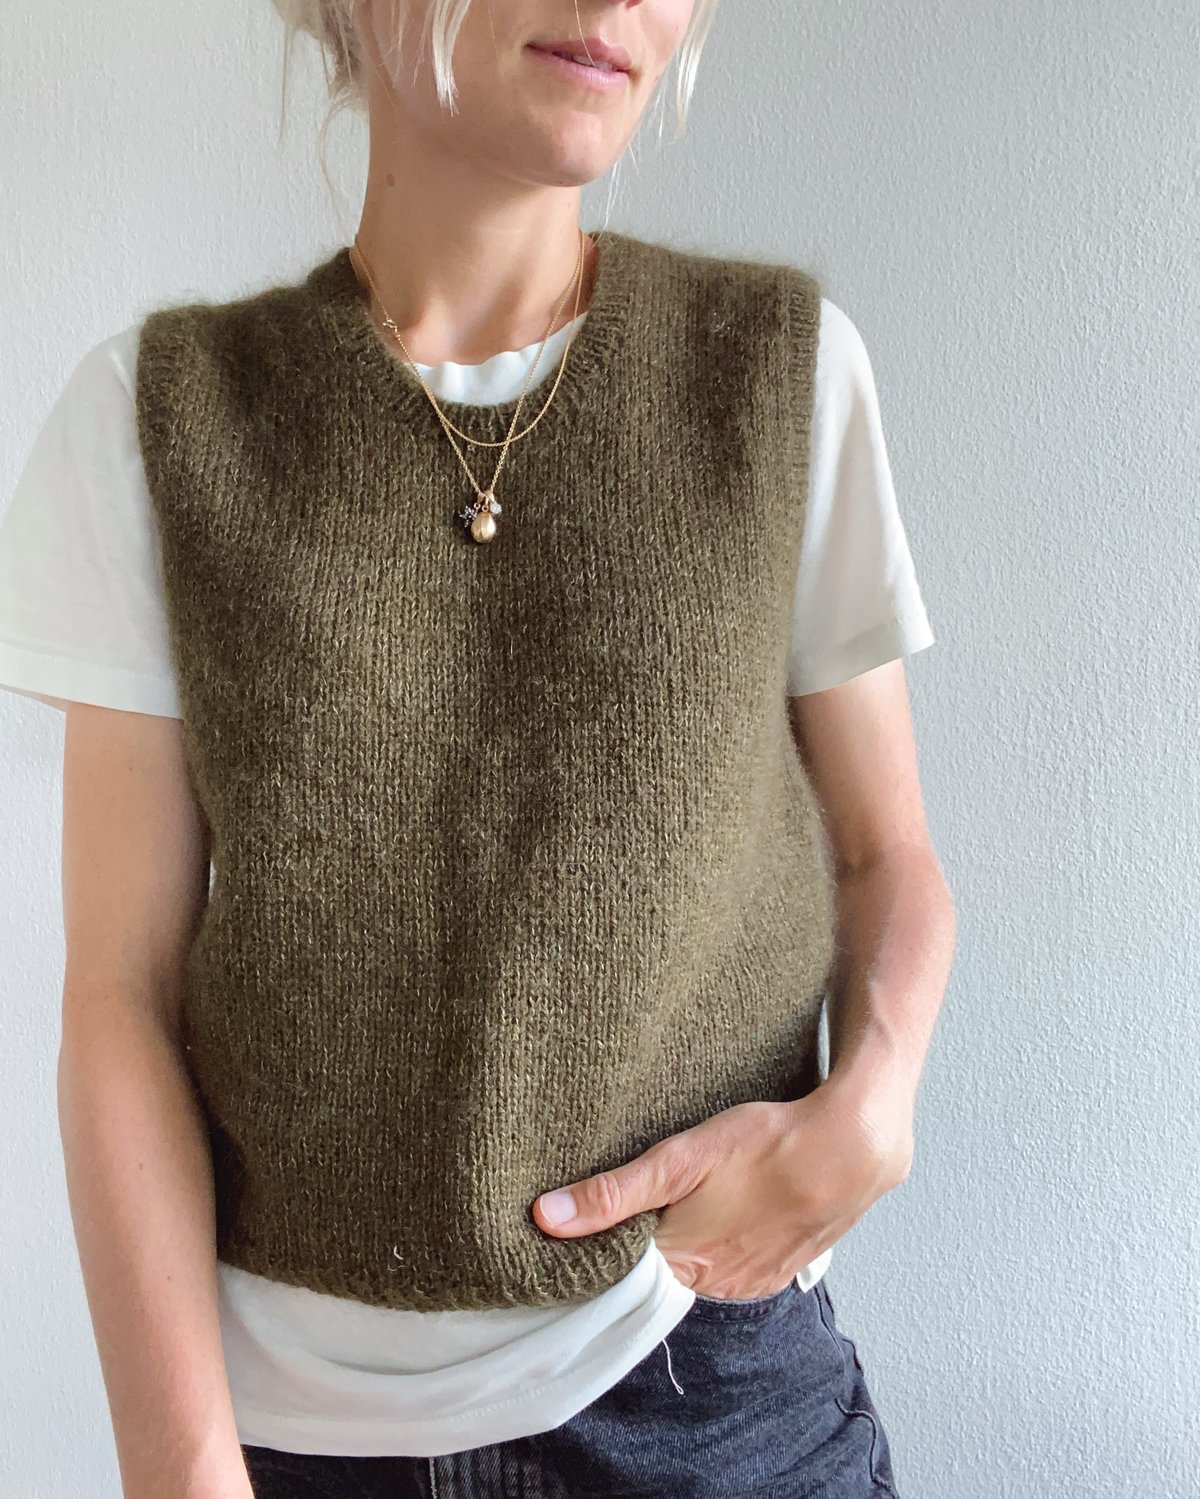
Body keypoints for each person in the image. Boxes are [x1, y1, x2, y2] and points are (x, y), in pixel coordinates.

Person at [0, 2, 957, 1495]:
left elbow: (886, 852)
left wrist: (875, 1101)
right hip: (298, 1437)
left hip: (707, 1388)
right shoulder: (162, 418)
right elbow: (119, 994)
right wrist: (180, 1468)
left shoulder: (776, 374)